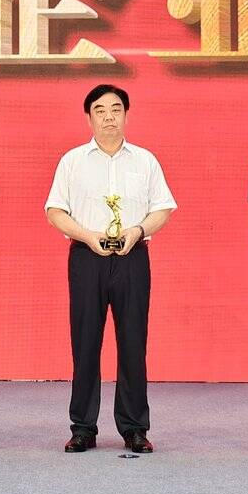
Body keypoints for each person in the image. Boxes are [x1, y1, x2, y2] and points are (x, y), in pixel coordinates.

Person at [45, 84, 176, 453]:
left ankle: (134, 427)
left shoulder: (145, 161)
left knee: (133, 342)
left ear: (126, 115)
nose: (108, 117)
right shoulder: (72, 161)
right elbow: (55, 211)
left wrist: (138, 230)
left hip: (132, 255)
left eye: (115, 110)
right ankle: (83, 427)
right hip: (87, 257)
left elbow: (162, 208)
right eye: (100, 111)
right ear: (89, 118)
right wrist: (88, 236)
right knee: (85, 342)